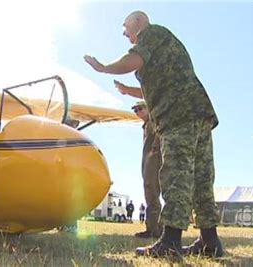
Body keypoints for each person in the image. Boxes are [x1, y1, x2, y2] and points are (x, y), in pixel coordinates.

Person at [84, 11, 223, 258]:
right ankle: (210, 242)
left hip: (177, 115)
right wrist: (129, 91)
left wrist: (103, 68)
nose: (124, 33)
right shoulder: (163, 42)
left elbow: (133, 61)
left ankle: (170, 241)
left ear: (138, 22)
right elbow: (162, 84)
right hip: (197, 111)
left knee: (176, 174)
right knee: (201, 178)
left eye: (125, 27)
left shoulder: (151, 34)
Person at [130, 101, 163, 238]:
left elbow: (160, 134)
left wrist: (154, 150)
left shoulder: (153, 122)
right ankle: (154, 228)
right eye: (135, 110)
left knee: (152, 192)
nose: (137, 112)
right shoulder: (147, 125)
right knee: (150, 193)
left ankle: (154, 229)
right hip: (148, 162)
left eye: (140, 108)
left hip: (153, 161)